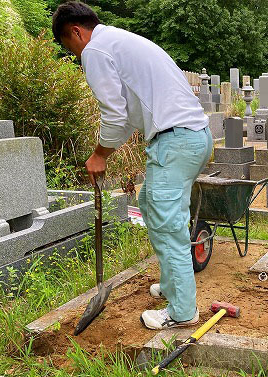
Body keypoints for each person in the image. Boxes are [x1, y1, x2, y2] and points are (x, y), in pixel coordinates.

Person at [52, 2, 212, 330]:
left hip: (177, 139)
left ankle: (183, 312)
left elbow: (112, 115)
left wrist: (98, 155)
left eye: (70, 48)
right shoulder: (117, 42)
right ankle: (172, 285)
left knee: (168, 225)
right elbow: (123, 119)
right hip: (189, 137)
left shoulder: (96, 50)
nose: (75, 56)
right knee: (152, 204)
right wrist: (104, 153)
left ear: (76, 32)